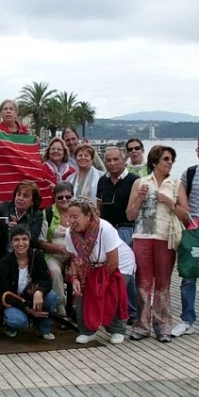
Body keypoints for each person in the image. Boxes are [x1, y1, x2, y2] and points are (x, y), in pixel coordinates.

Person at [126, 145, 189, 342]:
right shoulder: (140, 182)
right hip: (142, 237)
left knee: (163, 284)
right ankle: (142, 326)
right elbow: (130, 214)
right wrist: (139, 199)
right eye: (166, 159)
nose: (169, 163)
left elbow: (186, 216)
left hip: (165, 238)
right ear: (154, 162)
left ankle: (162, 326)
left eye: (171, 160)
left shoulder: (176, 183)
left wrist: (170, 203)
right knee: (143, 283)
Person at [66, 198, 134, 345]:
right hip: (90, 266)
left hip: (119, 264)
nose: (71, 221)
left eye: (75, 217)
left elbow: (113, 261)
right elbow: (73, 259)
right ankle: (87, 331)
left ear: (88, 216)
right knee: (83, 298)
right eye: (69, 216)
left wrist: (98, 282)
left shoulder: (105, 229)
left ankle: (117, 330)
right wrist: (76, 278)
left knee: (108, 295)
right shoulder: (69, 233)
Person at [96, 146, 139, 322]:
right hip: (106, 229)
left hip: (125, 229)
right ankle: (118, 309)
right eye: (109, 160)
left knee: (125, 271)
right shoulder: (102, 181)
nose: (112, 163)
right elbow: (98, 206)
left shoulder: (134, 180)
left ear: (124, 160)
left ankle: (132, 311)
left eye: (116, 160)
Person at [0, 225, 58, 340]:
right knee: (17, 321)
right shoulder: (5, 263)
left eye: (24, 239)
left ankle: (42, 328)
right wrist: (27, 309)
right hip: (15, 301)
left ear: (29, 240)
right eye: (16, 240)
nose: (21, 243)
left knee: (52, 296)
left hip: (32, 297)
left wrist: (39, 292)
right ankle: (11, 327)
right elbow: (4, 293)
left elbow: (46, 280)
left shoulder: (37, 255)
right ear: (11, 242)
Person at [173, 135, 199, 337]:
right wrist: (188, 220)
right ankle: (187, 320)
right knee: (188, 275)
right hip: (194, 230)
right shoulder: (189, 174)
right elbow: (182, 203)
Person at [0, 180, 43, 276]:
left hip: (25, 258)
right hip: (2, 255)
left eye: (25, 196)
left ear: (32, 201)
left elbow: (34, 241)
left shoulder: (37, 215)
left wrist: (18, 229)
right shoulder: (3, 207)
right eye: (18, 195)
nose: (20, 198)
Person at [38, 182, 74, 318]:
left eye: (68, 196)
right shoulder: (47, 213)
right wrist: (60, 248)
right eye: (60, 197)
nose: (64, 199)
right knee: (54, 272)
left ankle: (83, 308)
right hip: (54, 255)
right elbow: (41, 242)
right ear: (54, 198)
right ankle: (61, 309)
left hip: (76, 256)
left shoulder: (79, 211)